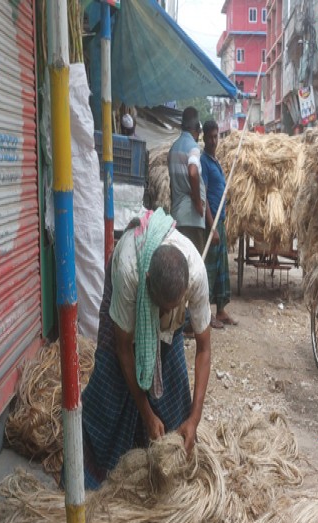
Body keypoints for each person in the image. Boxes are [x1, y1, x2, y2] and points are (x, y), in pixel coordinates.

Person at [80, 208, 212, 489]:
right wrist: (146, 413)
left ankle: (160, 479)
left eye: (172, 307)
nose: (162, 313)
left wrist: (194, 418)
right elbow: (124, 348)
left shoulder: (196, 274)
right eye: (160, 307)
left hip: (169, 317)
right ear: (149, 279)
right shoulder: (128, 270)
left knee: (174, 401)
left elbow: (204, 349)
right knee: (109, 391)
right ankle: (93, 480)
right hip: (125, 303)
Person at [200, 120, 238, 328]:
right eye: (210, 137)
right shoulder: (204, 162)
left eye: (216, 136)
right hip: (211, 223)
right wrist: (212, 226)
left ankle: (221, 310)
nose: (214, 141)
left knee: (222, 267)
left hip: (220, 221)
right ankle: (206, 313)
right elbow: (203, 194)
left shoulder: (215, 161)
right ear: (204, 138)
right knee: (210, 269)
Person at [168, 107, 218, 255]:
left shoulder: (173, 149)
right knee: (194, 270)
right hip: (192, 221)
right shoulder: (193, 148)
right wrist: (197, 203)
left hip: (177, 218)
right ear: (196, 128)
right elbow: (193, 172)